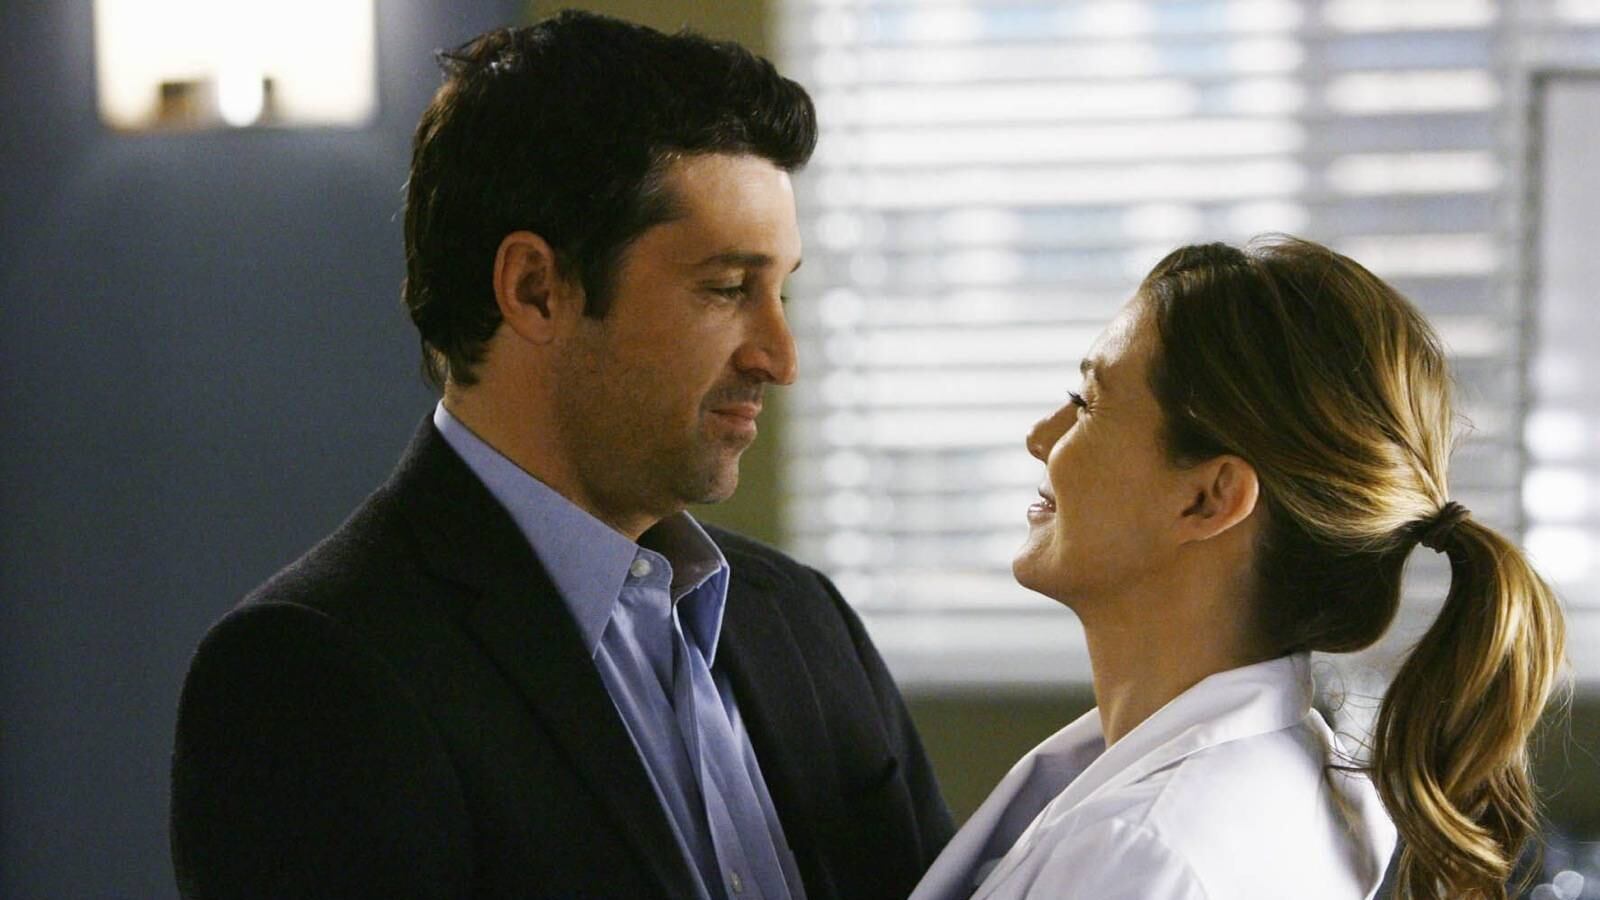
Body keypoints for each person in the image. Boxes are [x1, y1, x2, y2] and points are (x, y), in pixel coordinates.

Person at [169, 12, 953, 899]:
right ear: (536, 289)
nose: (781, 356)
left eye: (781, 290)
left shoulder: (804, 621)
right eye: (728, 288)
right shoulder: (307, 675)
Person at [910, 237, 1567, 900]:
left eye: (1088, 404)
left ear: (1209, 498)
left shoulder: (1140, 856)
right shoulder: (1287, 777)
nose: (1041, 438)